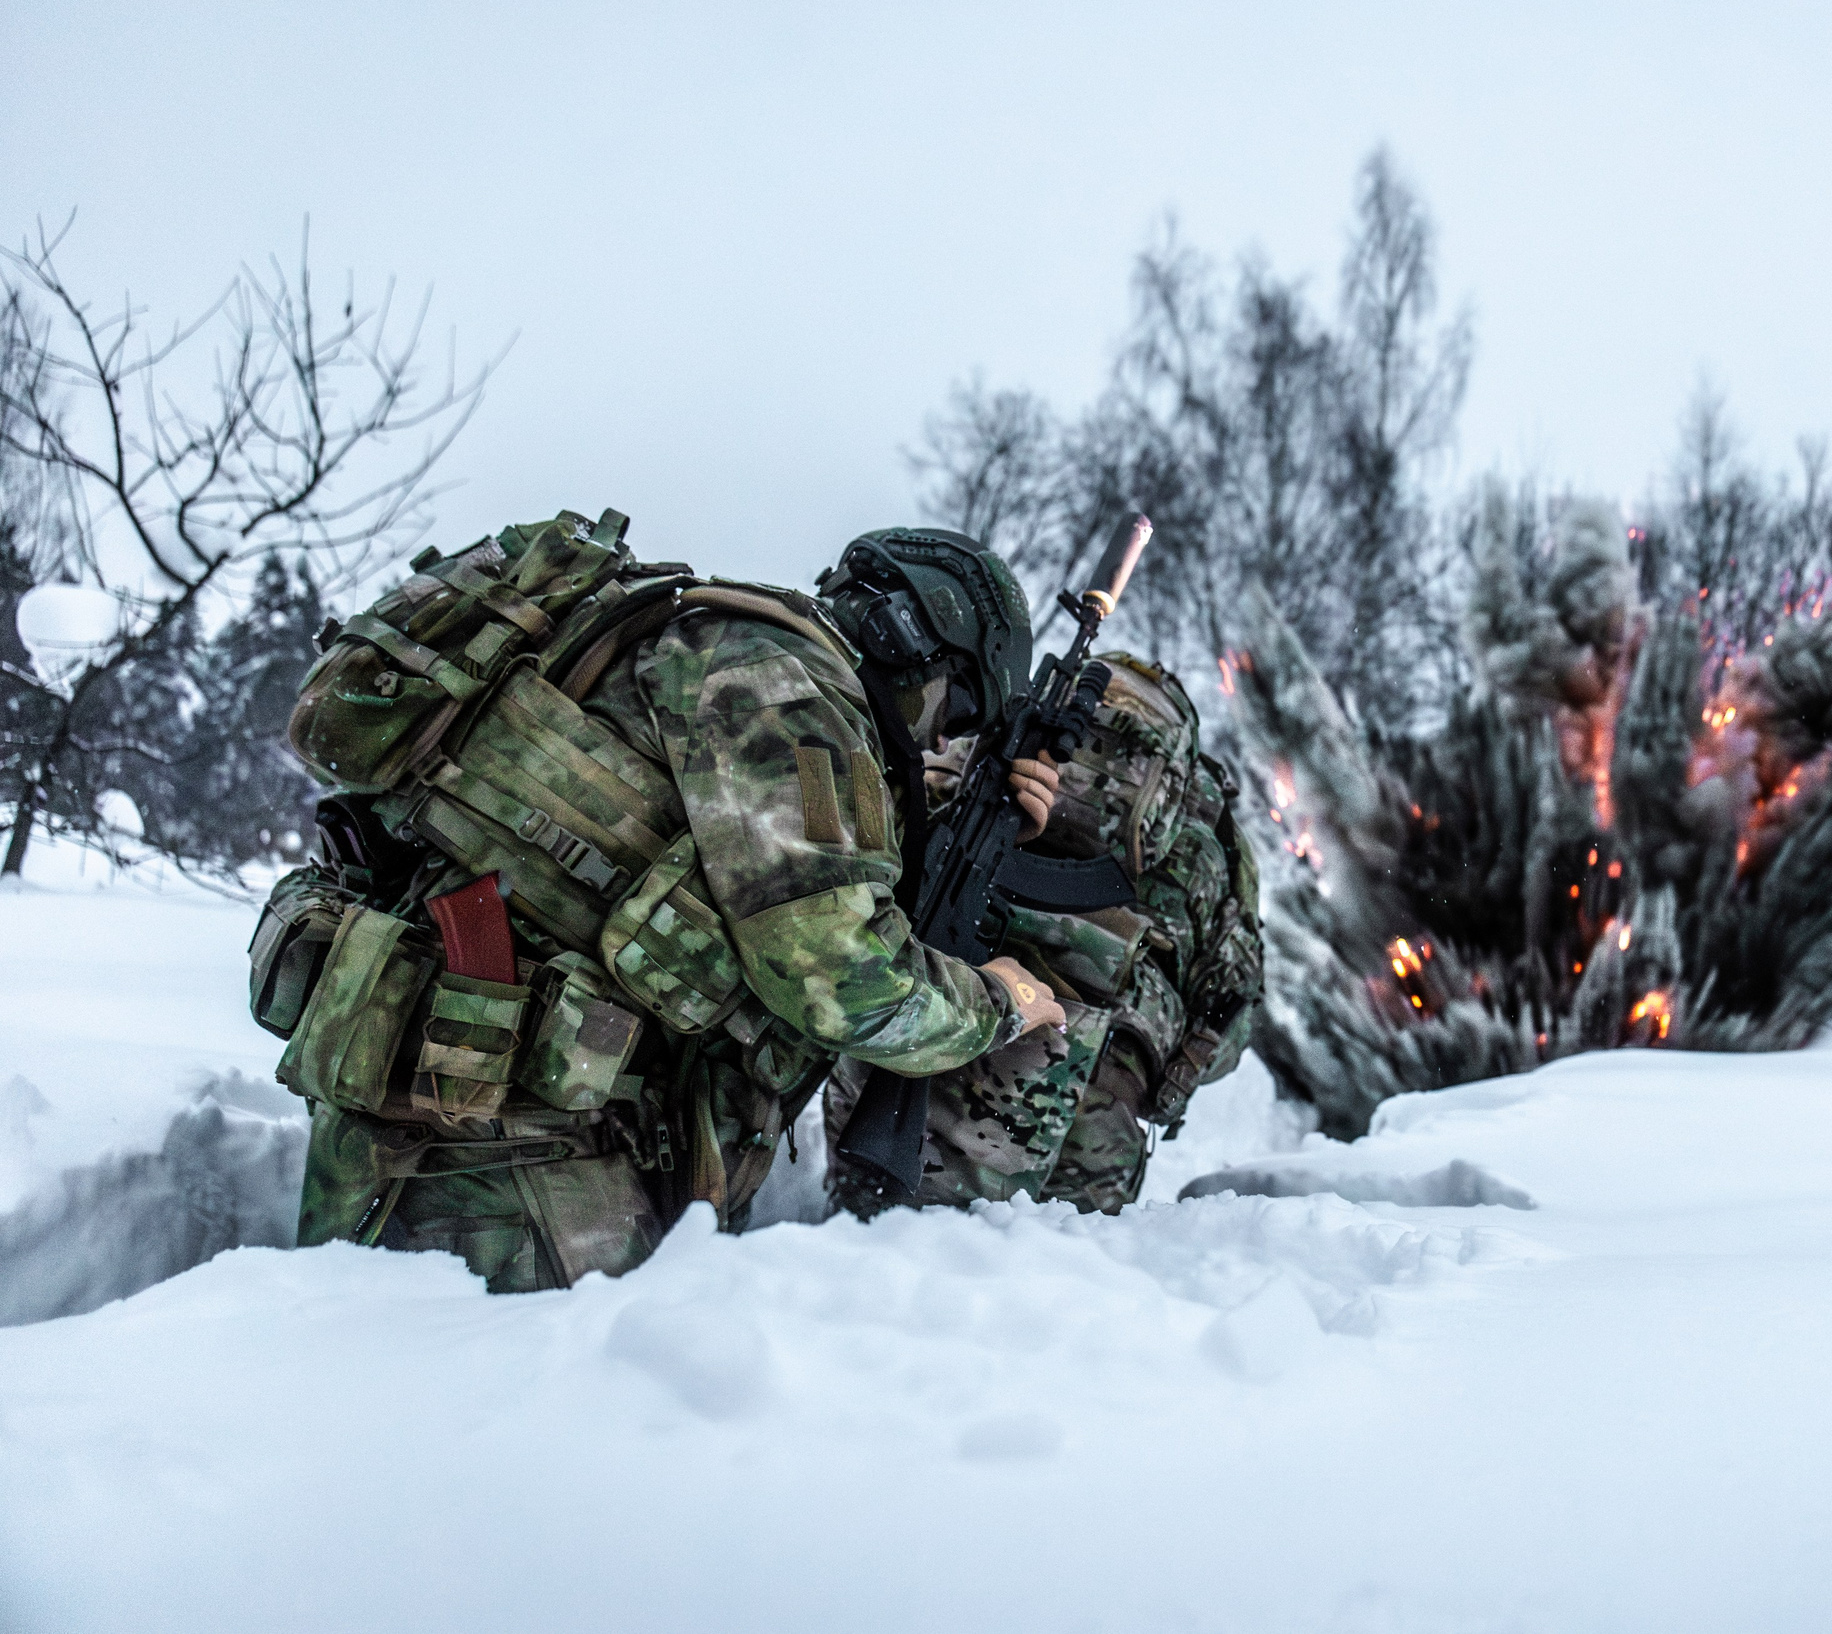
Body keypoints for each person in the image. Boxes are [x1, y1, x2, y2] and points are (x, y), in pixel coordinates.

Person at [249, 511, 1064, 1291]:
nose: (939, 738)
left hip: (463, 1118)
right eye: (958, 709)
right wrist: (1001, 999)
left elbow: (728, 857)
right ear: (914, 641)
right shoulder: (785, 689)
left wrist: (955, 817)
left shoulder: (724, 648)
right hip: (514, 1162)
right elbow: (840, 977)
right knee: (501, 1387)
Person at [823, 650, 1263, 1216]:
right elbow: (1228, 1023)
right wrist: (1170, 1079)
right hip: (1086, 1136)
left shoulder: (978, 742)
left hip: (914, 1036)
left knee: (858, 1238)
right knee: (1055, 1262)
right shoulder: (1213, 840)